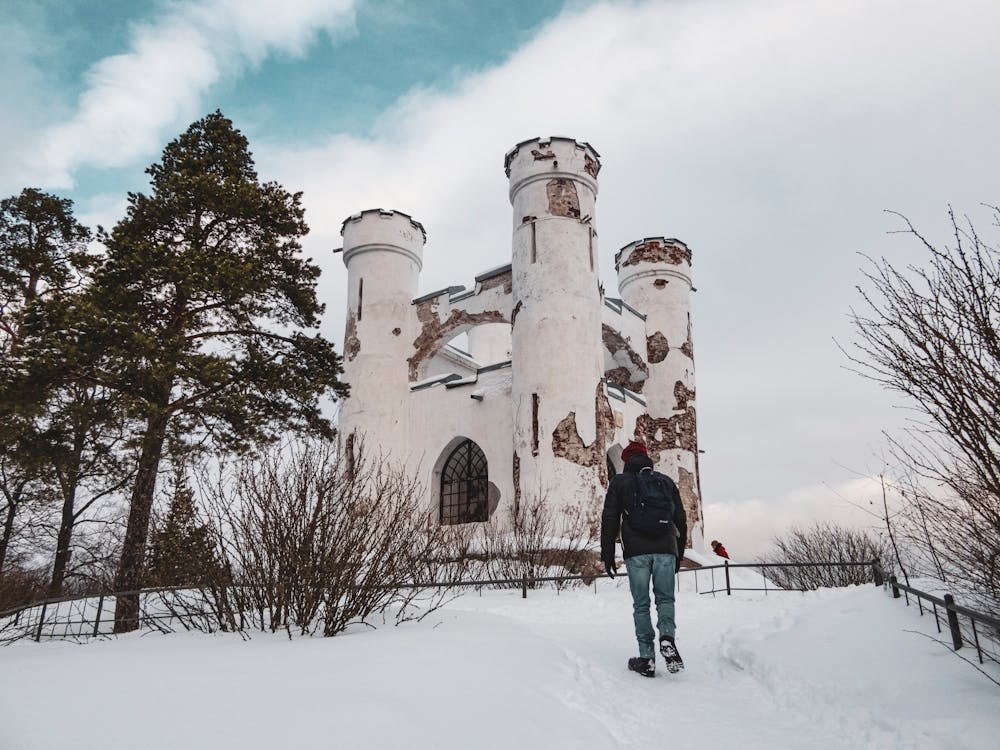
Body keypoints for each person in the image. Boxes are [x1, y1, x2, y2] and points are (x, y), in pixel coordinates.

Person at [601, 440, 687, 677]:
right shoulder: (666, 482)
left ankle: (647, 657)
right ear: (647, 459)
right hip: (666, 549)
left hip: (637, 552)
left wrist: (607, 553)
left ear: (626, 461)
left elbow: (610, 518)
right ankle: (667, 637)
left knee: (641, 605)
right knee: (665, 599)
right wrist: (678, 550)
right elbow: (681, 518)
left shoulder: (620, 482)